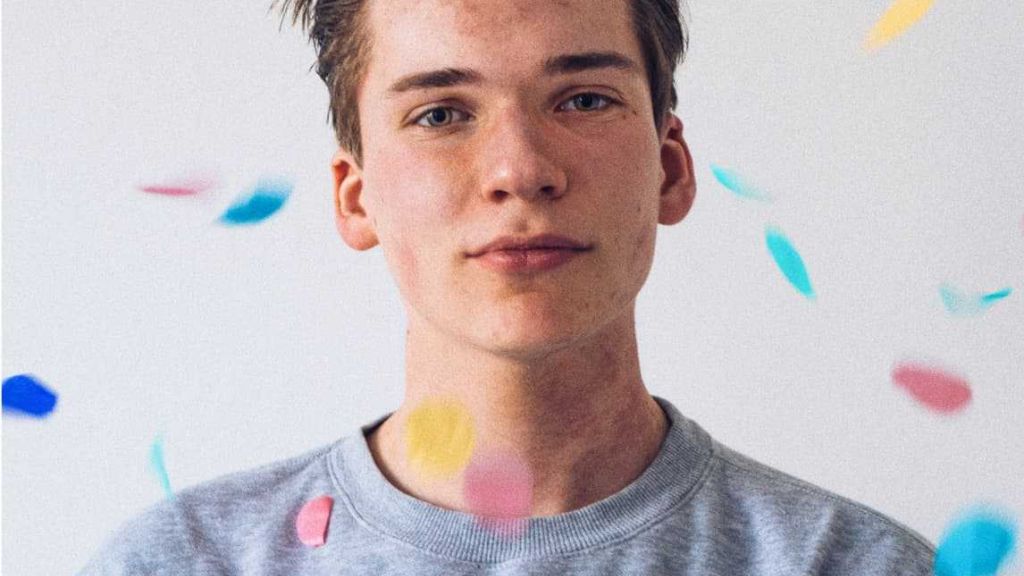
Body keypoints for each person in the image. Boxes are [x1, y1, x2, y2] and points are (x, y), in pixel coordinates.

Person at [81, 0, 937, 573]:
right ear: (357, 195)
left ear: (671, 169)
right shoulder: (186, 563)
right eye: (442, 114)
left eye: (585, 99)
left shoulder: (854, 563)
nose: (522, 171)